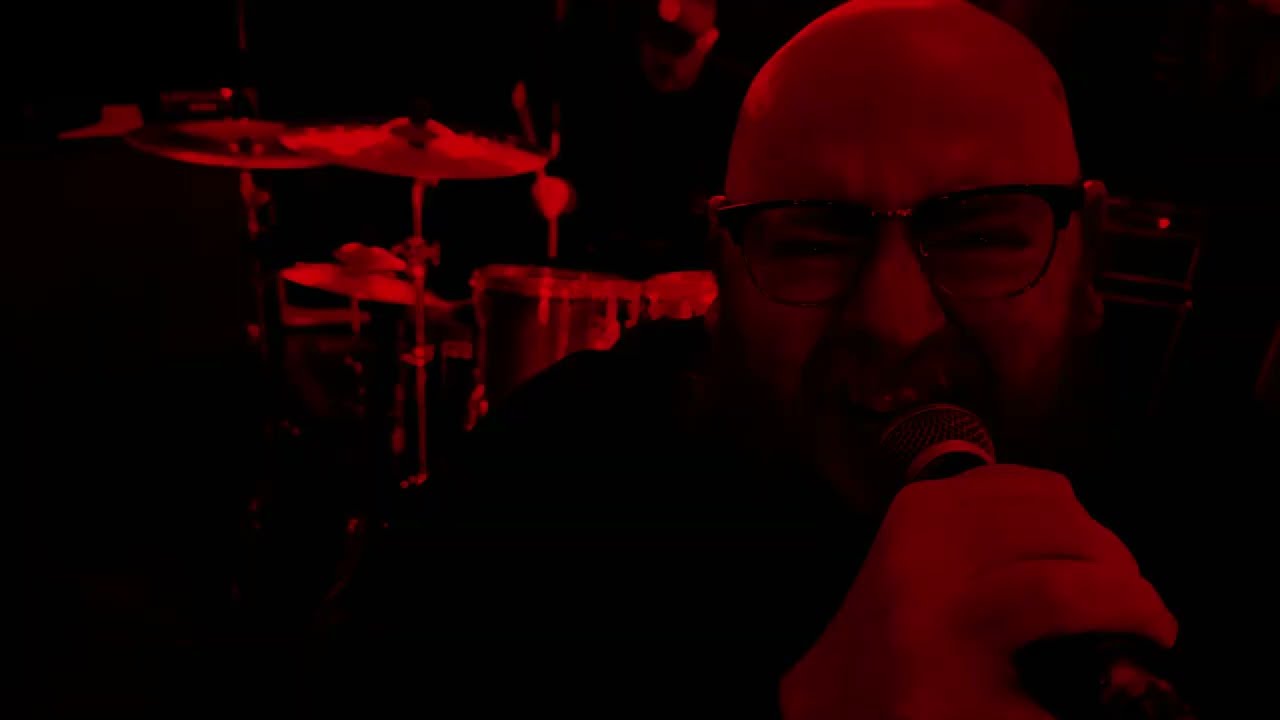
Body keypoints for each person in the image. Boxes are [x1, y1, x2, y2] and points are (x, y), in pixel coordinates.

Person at [318, 1, 1233, 716]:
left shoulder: (1213, 514)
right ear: (724, 269)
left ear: (1087, 260)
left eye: (981, 236)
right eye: (812, 243)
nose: (894, 321)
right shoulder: (558, 477)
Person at [532, 0, 751, 278]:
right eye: (655, 41)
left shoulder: (737, 104)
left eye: (678, 46)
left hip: (695, 277)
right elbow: (583, 183)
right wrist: (563, 194)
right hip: (607, 268)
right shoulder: (604, 89)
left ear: (709, 42)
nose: (663, 57)